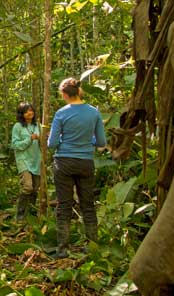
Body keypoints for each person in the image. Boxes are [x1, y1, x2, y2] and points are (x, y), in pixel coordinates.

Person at [47, 77, 107, 258]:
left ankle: (63, 249)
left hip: (64, 162)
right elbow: (101, 142)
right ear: (79, 92)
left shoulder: (61, 113)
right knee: (87, 205)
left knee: (64, 205)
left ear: (64, 94)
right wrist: (88, 141)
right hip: (85, 162)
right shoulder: (94, 113)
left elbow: (52, 143)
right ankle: (92, 246)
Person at [11, 102, 41, 223]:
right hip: (23, 160)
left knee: (35, 189)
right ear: (21, 114)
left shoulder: (37, 125)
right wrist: (29, 139)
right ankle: (20, 216)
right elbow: (15, 145)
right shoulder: (17, 127)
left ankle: (32, 215)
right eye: (27, 111)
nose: (30, 113)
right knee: (27, 187)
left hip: (36, 160)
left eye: (31, 110)